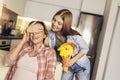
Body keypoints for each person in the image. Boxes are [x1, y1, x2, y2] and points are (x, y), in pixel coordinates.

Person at [49, 9, 90, 80]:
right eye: (54, 20)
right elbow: (53, 50)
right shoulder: (51, 33)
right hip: (67, 66)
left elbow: (85, 48)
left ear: (65, 25)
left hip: (80, 65)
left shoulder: (74, 36)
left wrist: (72, 60)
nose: (55, 24)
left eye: (59, 23)